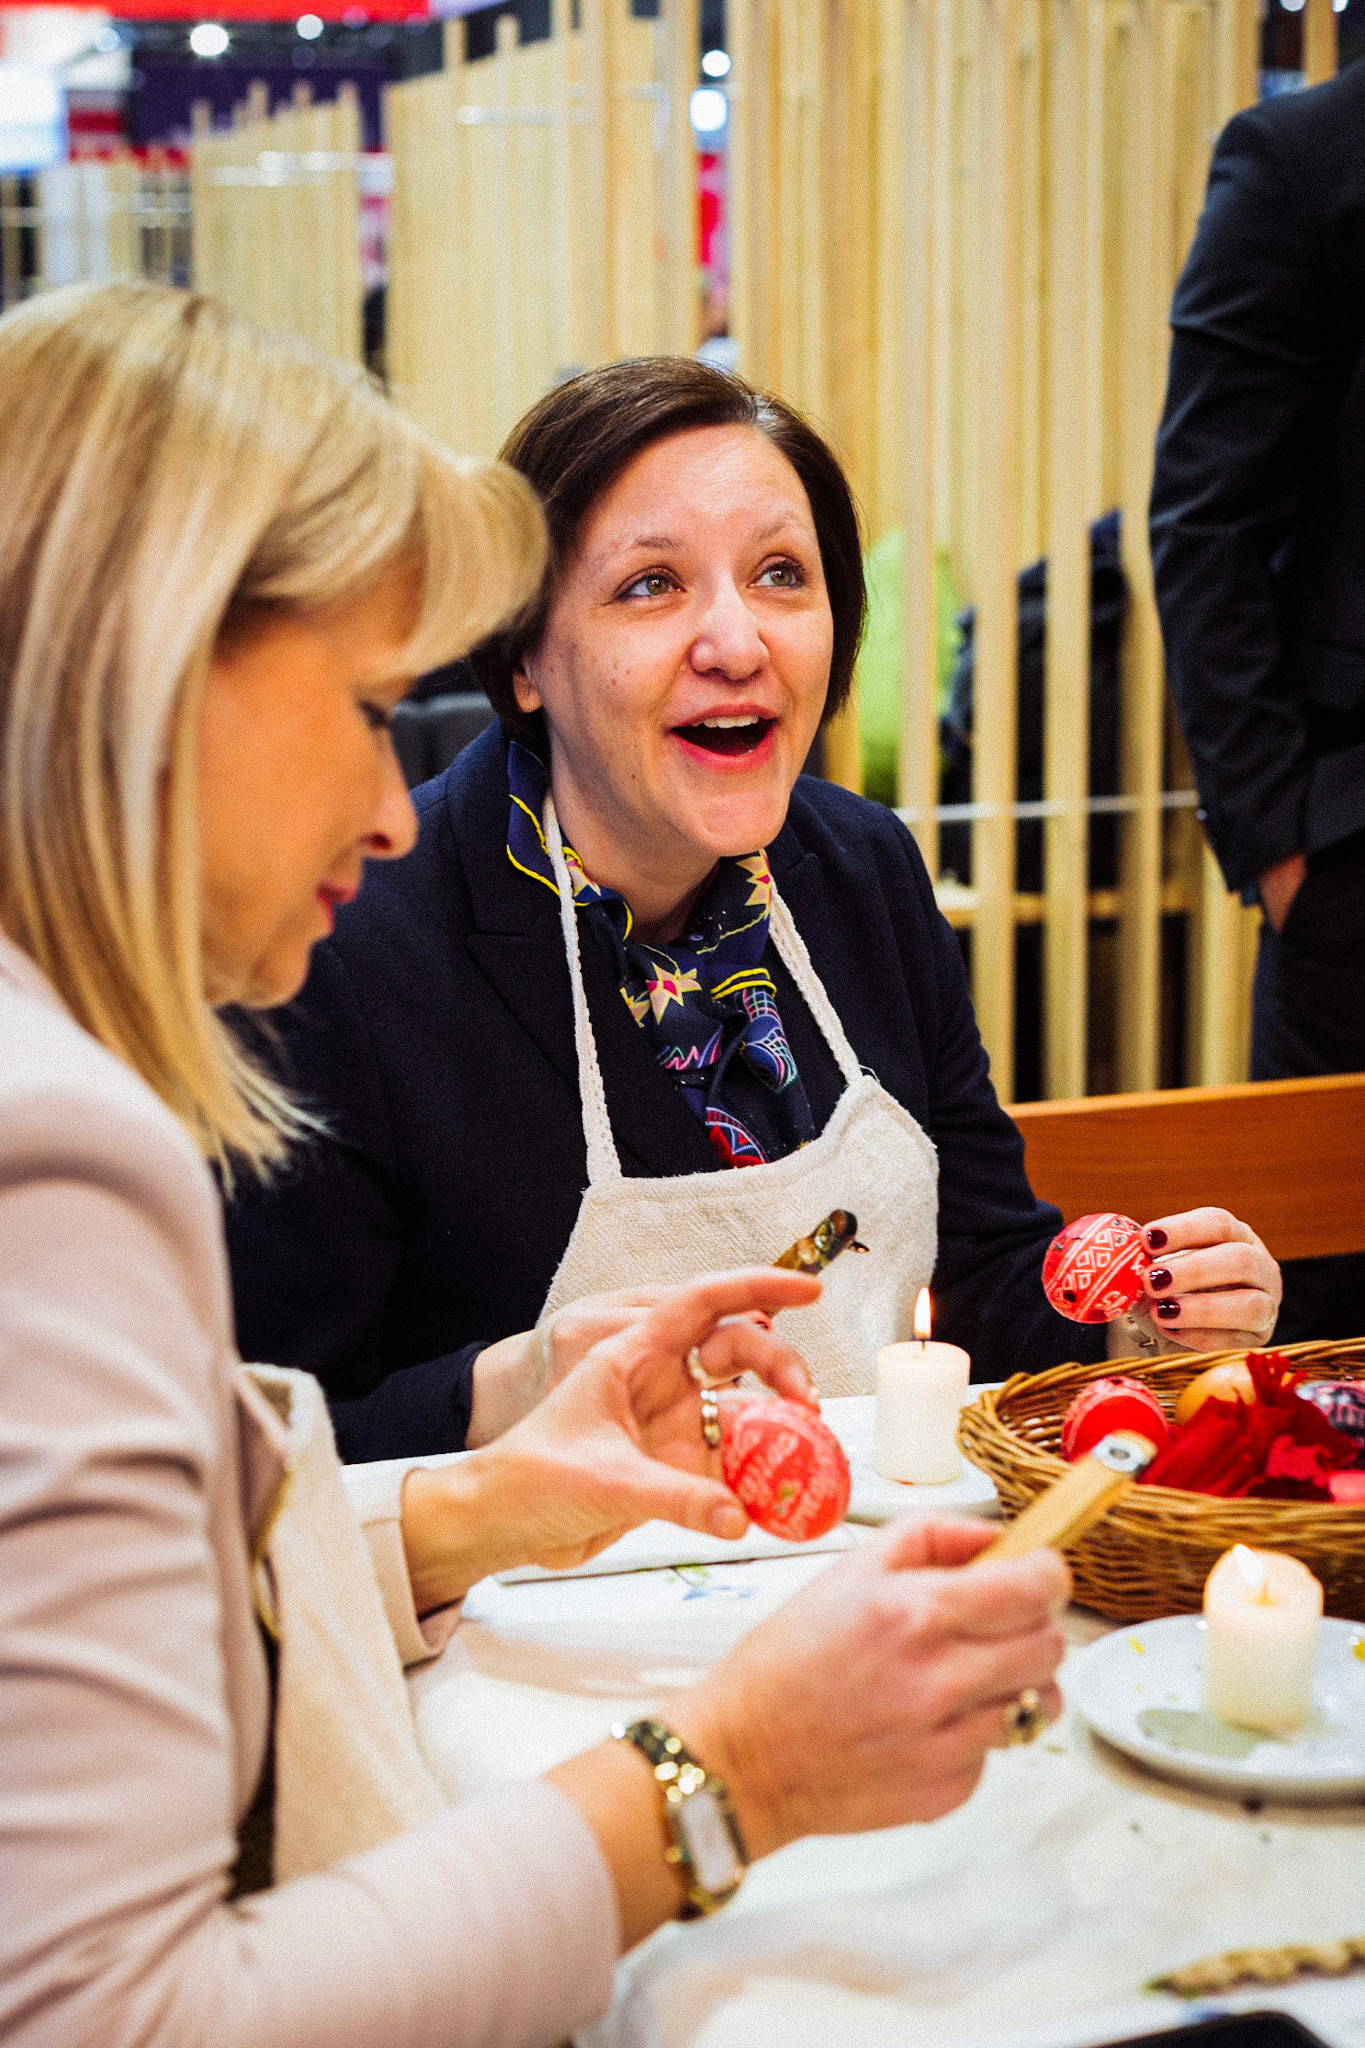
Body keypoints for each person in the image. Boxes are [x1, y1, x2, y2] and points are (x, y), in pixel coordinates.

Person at [0, 280, 1076, 2048]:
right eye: (368, 702)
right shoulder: (62, 1146)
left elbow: (186, 1554)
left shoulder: (861, 871)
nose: (388, 800)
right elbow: (111, 2010)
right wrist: (729, 1771)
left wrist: (492, 1483)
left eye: (783, 575)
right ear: (157, 674)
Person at [226, 358, 1282, 1463]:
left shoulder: (864, 871)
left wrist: (1146, 1320)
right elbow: (272, 1444)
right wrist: (511, 1387)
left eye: (781, 574)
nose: (738, 645)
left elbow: (976, 1278)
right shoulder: (343, 945)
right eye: (650, 585)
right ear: (525, 655)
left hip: (872, 1547)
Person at [1149, 62, 1365, 1341]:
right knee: (1332, 1330)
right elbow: (1206, 524)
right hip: (1350, 851)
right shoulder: (1307, 158)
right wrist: (1288, 844)